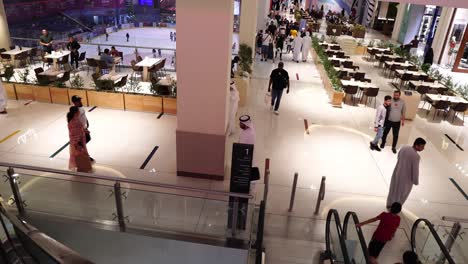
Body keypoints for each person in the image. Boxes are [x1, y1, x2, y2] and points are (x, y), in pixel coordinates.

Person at [386, 138, 426, 208]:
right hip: (406, 179)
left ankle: (389, 204)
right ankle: (395, 209)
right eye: (422, 146)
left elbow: (398, 157)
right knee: (402, 193)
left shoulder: (404, 147)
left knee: (393, 189)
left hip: (397, 172)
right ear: (417, 145)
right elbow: (415, 170)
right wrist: (415, 181)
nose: (423, 148)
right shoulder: (416, 156)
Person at [67, 106, 91, 171]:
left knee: (79, 156)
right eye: (78, 111)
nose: (79, 112)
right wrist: (78, 144)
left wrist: (85, 131)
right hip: (78, 143)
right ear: (75, 113)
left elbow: (79, 130)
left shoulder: (74, 120)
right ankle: (82, 168)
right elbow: (75, 135)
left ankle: (82, 168)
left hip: (78, 142)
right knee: (80, 156)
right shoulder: (75, 122)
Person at [71, 95, 94, 162]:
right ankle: (82, 157)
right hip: (80, 131)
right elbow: (76, 122)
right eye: (78, 101)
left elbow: (84, 117)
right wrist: (83, 130)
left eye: (80, 100)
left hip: (84, 129)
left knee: (87, 140)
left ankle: (82, 155)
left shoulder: (81, 108)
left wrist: (87, 123)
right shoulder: (75, 111)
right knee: (81, 144)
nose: (80, 102)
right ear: (75, 102)